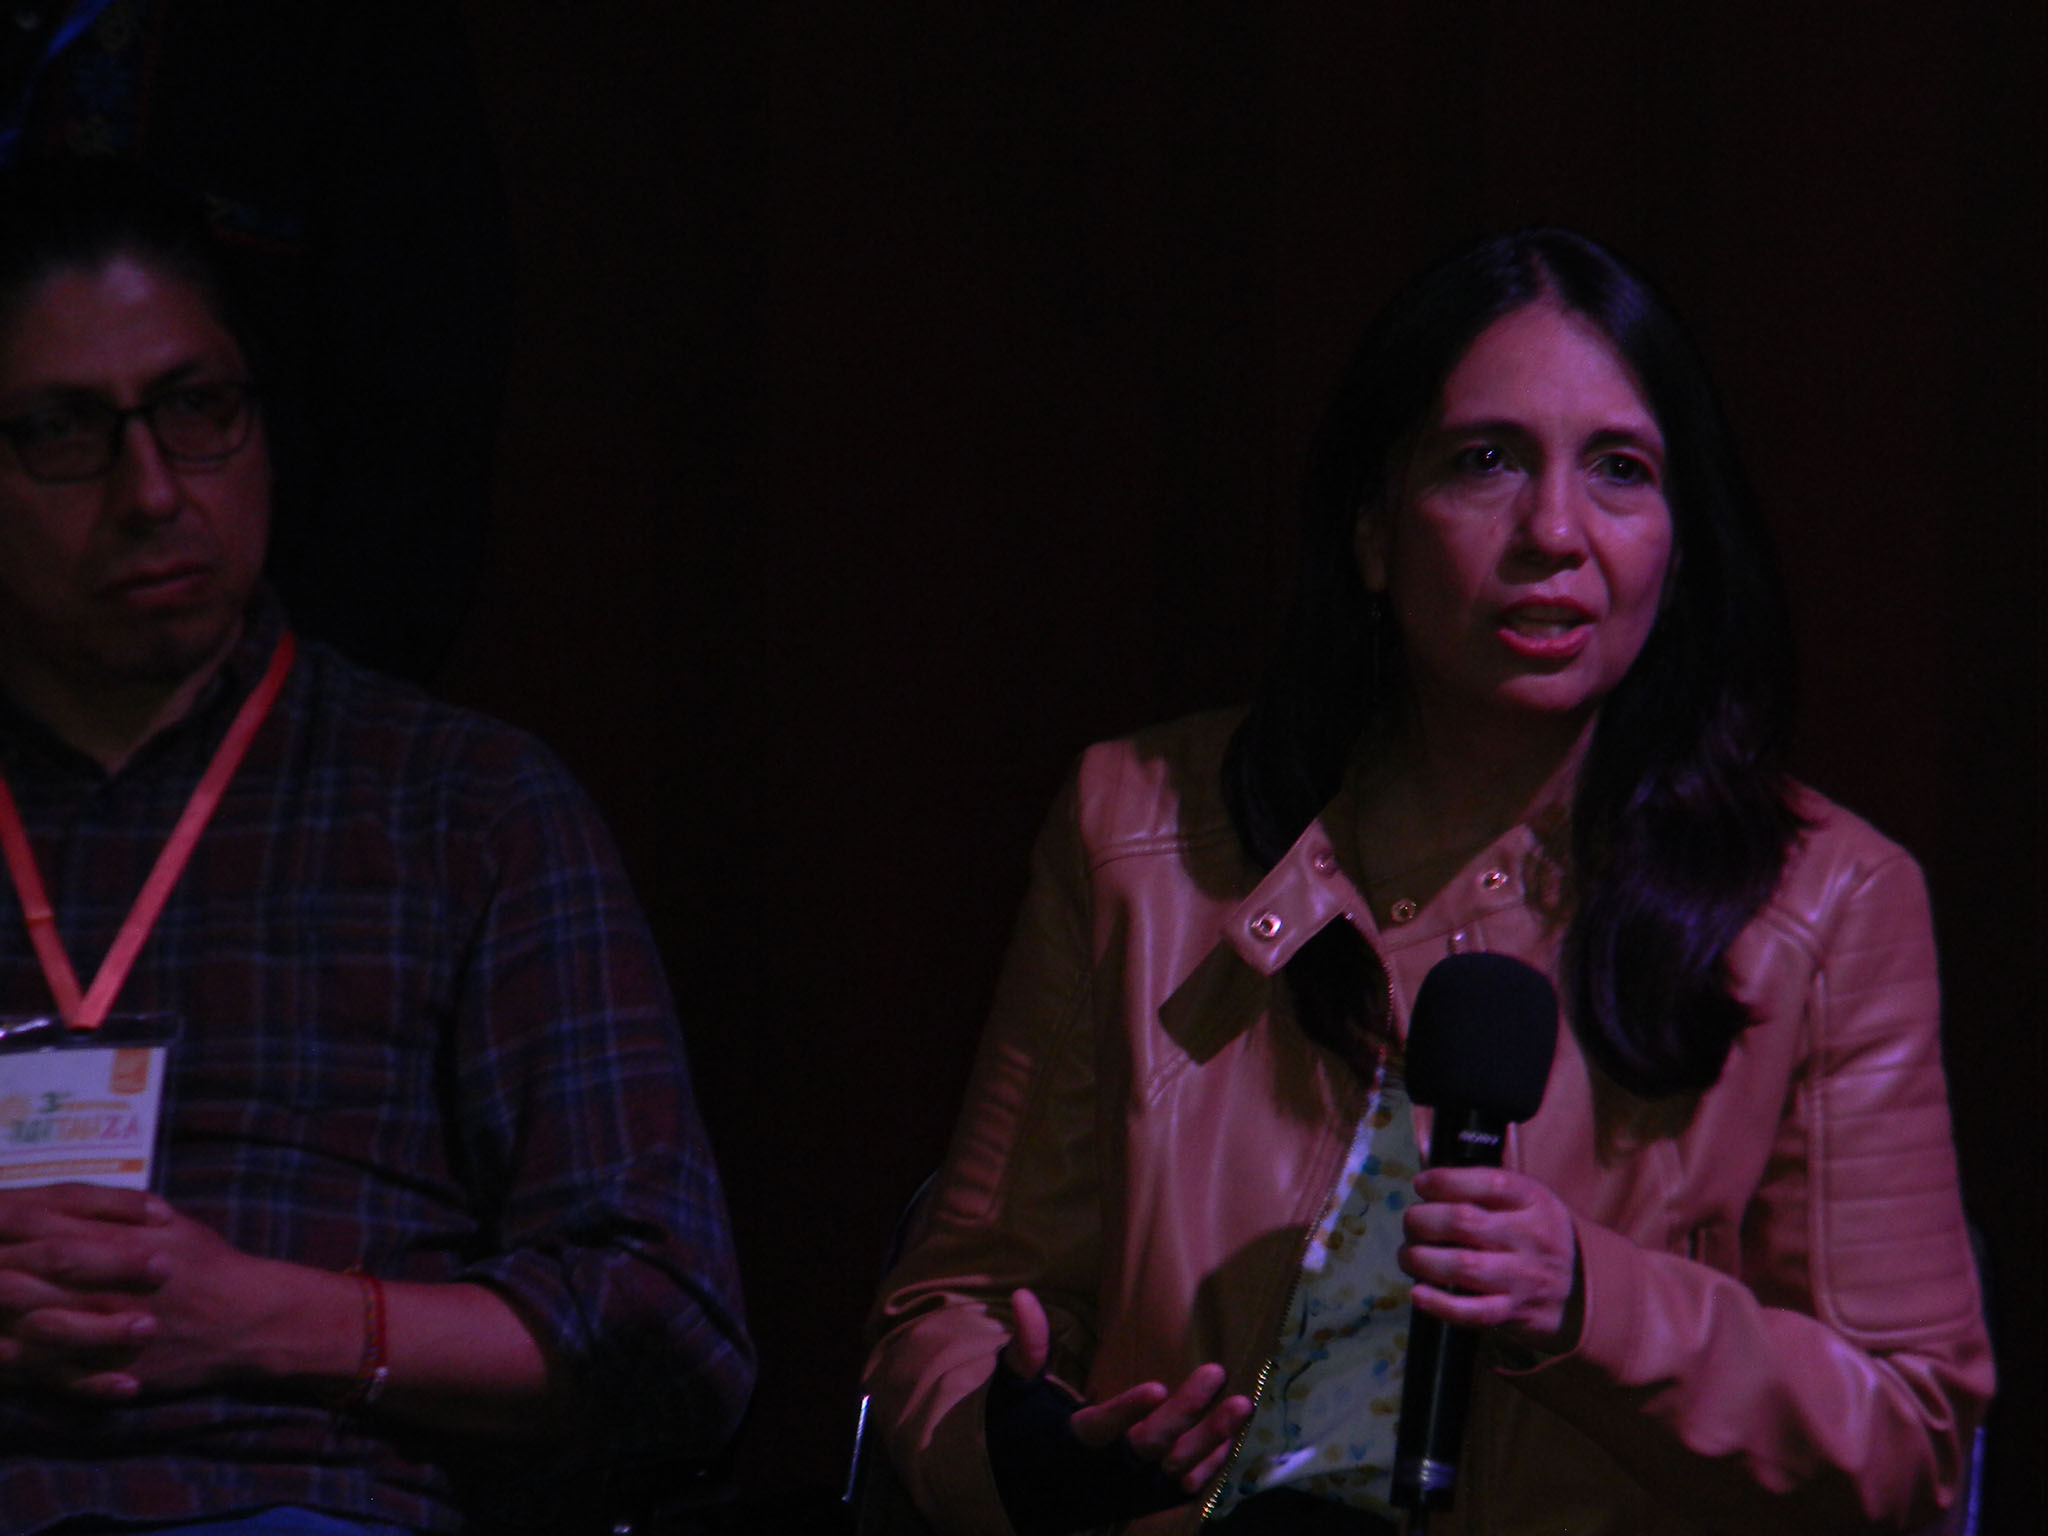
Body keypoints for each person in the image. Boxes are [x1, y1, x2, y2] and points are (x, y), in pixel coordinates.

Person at [863, 228, 1994, 1535]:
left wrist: (1594, 1304)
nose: (1554, 533)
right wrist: (1027, 1454)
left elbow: (1910, 1442)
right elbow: (949, 1315)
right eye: (1485, 461)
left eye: (1620, 470)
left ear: (1680, 548)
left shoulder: (1829, 904)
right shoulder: (1136, 833)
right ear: (1373, 532)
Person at [0, 161, 751, 1533]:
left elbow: (669, 1330)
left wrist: (261, 1319)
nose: (151, 490)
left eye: (196, 409)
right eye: (63, 432)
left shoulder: (460, 808)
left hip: (297, 1500)